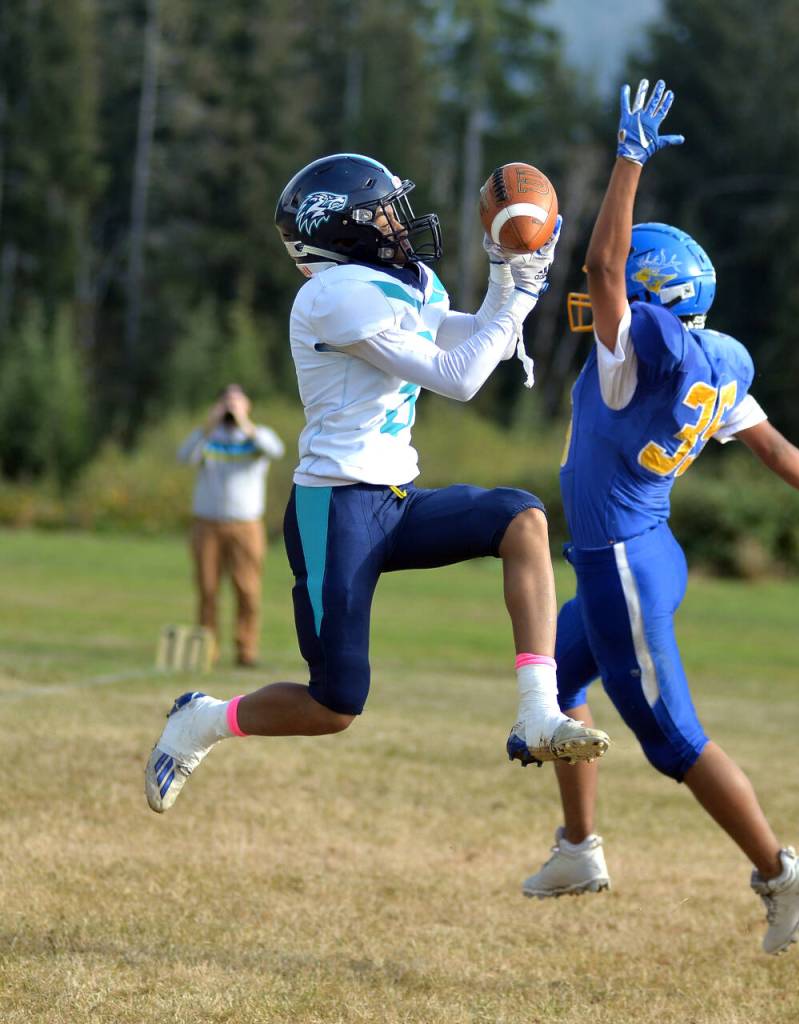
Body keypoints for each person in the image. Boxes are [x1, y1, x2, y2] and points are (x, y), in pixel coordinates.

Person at [520, 80, 799, 956]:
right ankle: (578, 849)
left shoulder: (632, 364)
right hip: (650, 551)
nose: (600, 303)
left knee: (671, 738)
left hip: (624, 571)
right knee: (552, 690)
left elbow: (605, 269)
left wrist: (629, 159)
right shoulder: (711, 364)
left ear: (650, 301)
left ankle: (781, 870)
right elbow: (771, 445)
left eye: (622, 293)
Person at [146, 152, 609, 814]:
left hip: (395, 499)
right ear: (342, 229)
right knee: (334, 705)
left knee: (522, 519)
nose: (401, 219)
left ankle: (537, 711)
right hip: (333, 508)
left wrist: (512, 274)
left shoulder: (405, 282)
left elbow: (479, 339)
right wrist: (523, 290)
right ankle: (204, 719)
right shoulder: (333, 296)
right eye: (384, 210)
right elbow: (458, 378)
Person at [177, 384, 285, 667]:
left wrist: (245, 423)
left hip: (246, 526)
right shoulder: (207, 438)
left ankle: (246, 650)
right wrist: (208, 426)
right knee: (207, 589)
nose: (230, 407)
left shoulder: (258, 436)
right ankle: (206, 651)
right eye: (226, 401)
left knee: (247, 590)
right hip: (207, 525)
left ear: (247, 405)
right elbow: (184, 456)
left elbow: (275, 450)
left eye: (236, 401)